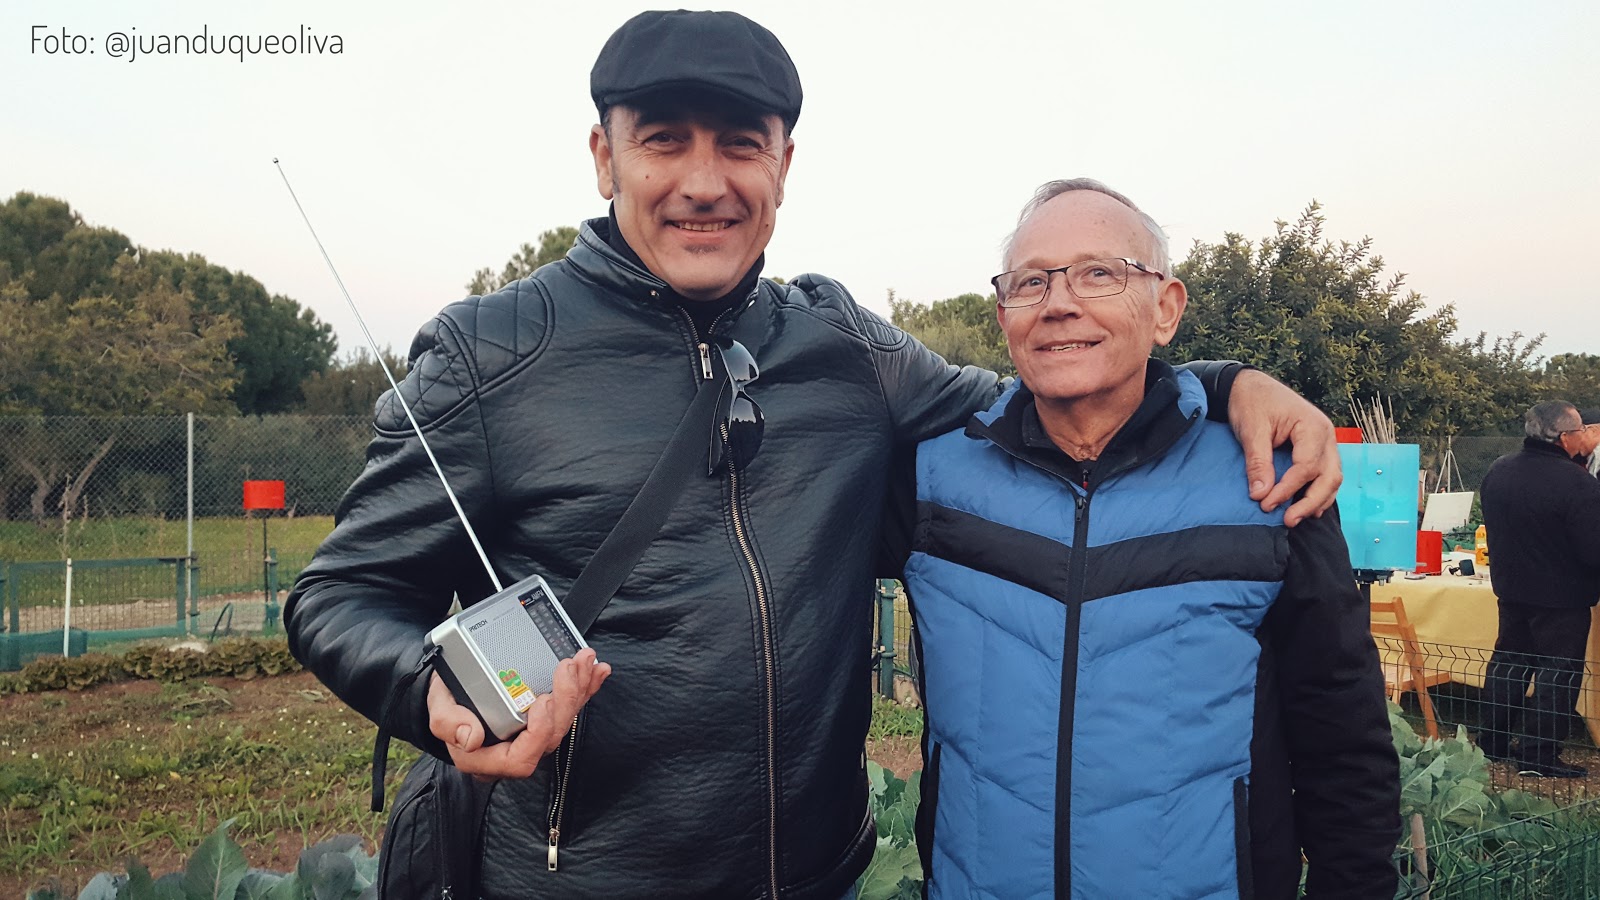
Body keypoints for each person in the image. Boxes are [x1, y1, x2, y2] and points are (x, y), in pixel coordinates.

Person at [285, 12, 1344, 899]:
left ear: (783, 166)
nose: (705, 181)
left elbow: (1045, 398)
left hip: (818, 877)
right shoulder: (490, 355)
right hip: (577, 878)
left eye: (741, 145)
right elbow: (339, 594)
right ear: (604, 156)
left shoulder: (846, 346)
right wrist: (430, 694)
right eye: (664, 142)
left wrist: (1222, 383)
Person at [891, 180, 1399, 899]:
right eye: (1030, 282)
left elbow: (1340, 725)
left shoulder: (1270, 480)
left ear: (1166, 309)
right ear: (1004, 317)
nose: (1059, 302)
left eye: (1098, 273)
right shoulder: (928, 476)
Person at [1478, 401, 1600, 777]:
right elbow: (1592, 549)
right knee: (1557, 675)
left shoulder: (1499, 470)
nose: (1583, 437)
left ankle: (1492, 744)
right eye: (1580, 430)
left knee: (1508, 665)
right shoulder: (1578, 483)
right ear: (1564, 437)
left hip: (1511, 590)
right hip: (1562, 597)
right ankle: (1538, 755)